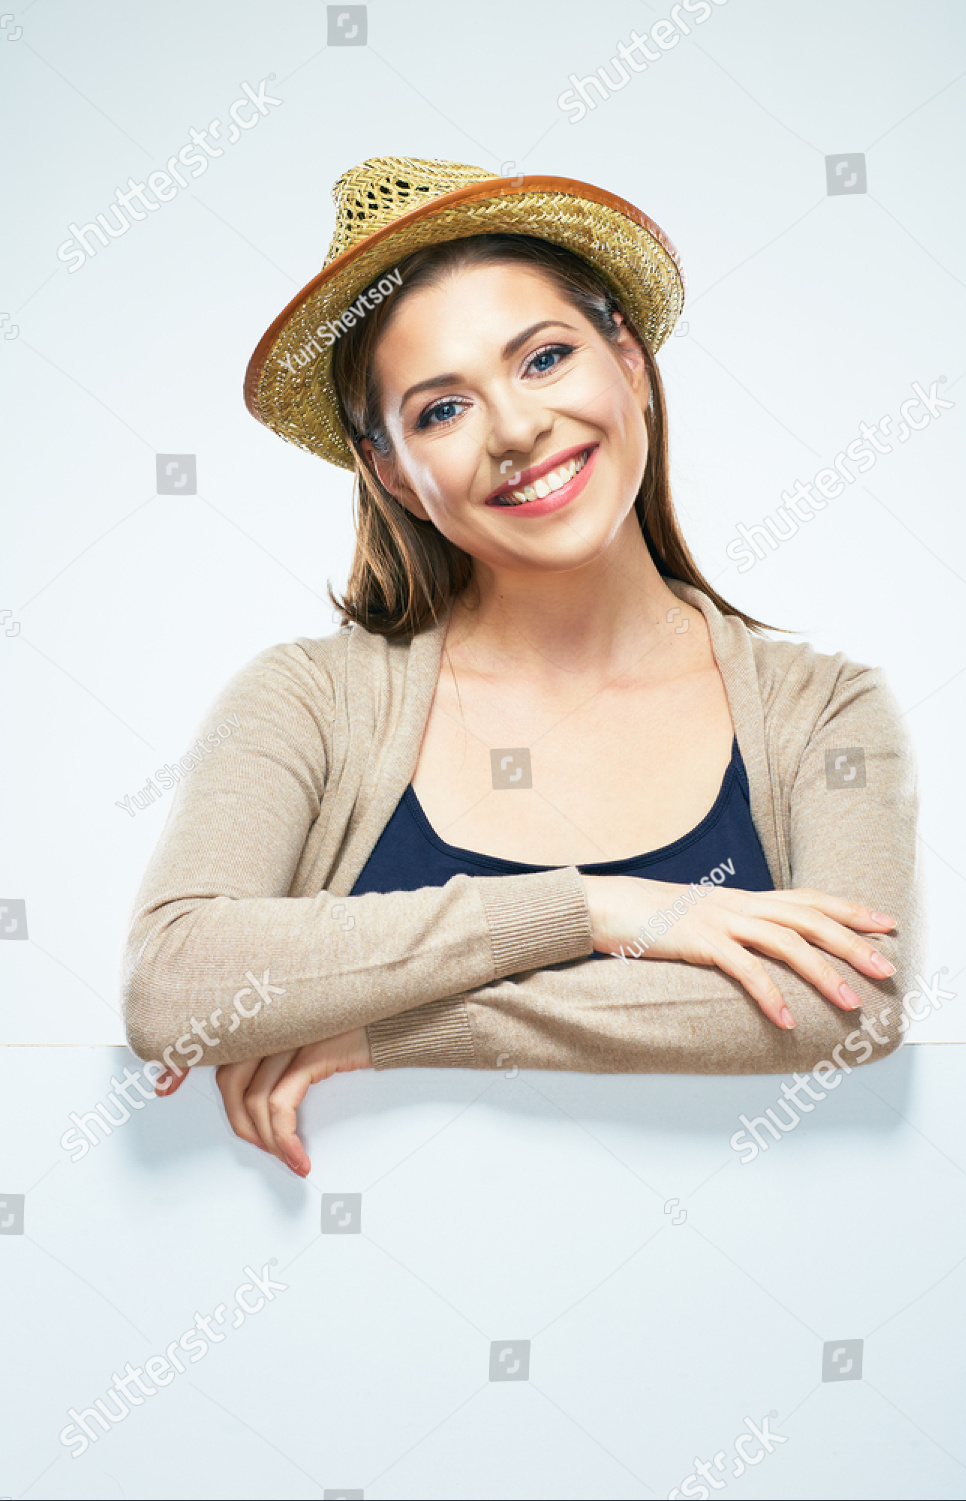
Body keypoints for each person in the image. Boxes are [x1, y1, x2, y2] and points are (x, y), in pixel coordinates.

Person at [120, 158, 924, 1179]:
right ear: (391, 474)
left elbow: (843, 1004)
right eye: (439, 411)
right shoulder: (306, 701)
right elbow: (172, 988)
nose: (513, 429)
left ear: (626, 358)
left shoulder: (825, 711)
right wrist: (586, 907)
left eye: (542, 358)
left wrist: (389, 1035)